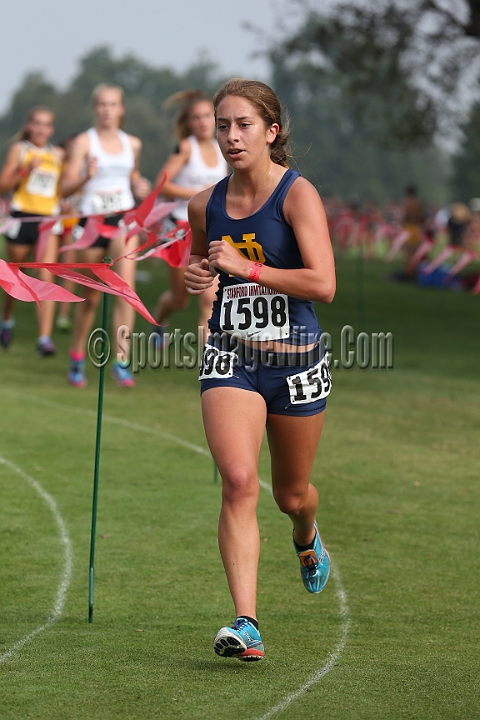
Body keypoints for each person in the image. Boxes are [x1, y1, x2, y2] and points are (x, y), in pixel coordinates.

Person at [185, 79, 336, 661]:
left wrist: (246, 271)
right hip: (231, 355)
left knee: (290, 494)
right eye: (222, 124)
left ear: (271, 131)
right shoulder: (205, 204)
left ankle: (306, 535)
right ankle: (246, 622)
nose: (230, 135)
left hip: (295, 363)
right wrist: (200, 277)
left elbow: (323, 284)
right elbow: (202, 266)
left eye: (243, 124)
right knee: (240, 481)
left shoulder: (297, 196)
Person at [61, 83, 150, 387]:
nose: (107, 110)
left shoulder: (133, 144)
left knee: (125, 289)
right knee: (90, 297)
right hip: (91, 222)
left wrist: (140, 187)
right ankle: (76, 356)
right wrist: (85, 176)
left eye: (113, 104)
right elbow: (64, 187)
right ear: (94, 108)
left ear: (121, 109)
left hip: (123, 219)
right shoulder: (84, 142)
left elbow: (134, 177)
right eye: (101, 104)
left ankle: (121, 360)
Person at [152, 91, 228, 342]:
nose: (204, 122)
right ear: (188, 123)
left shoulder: (223, 148)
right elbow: (161, 185)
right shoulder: (186, 148)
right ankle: (158, 322)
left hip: (209, 230)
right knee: (181, 298)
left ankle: (208, 362)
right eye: (197, 117)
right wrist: (197, 194)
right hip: (178, 228)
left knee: (209, 297)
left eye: (208, 116)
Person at [0, 106, 64, 355]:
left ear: (51, 129)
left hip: (48, 220)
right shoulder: (21, 150)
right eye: (36, 123)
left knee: (46, 276)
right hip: (21, 218)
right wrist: (26, 169)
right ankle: (7, 319)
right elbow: (4, 184)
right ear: (29, 126)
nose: (40, 129)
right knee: (16, 279)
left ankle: (44, 339)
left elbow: (60, 188)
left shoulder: (57, 154)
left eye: (46, 124)